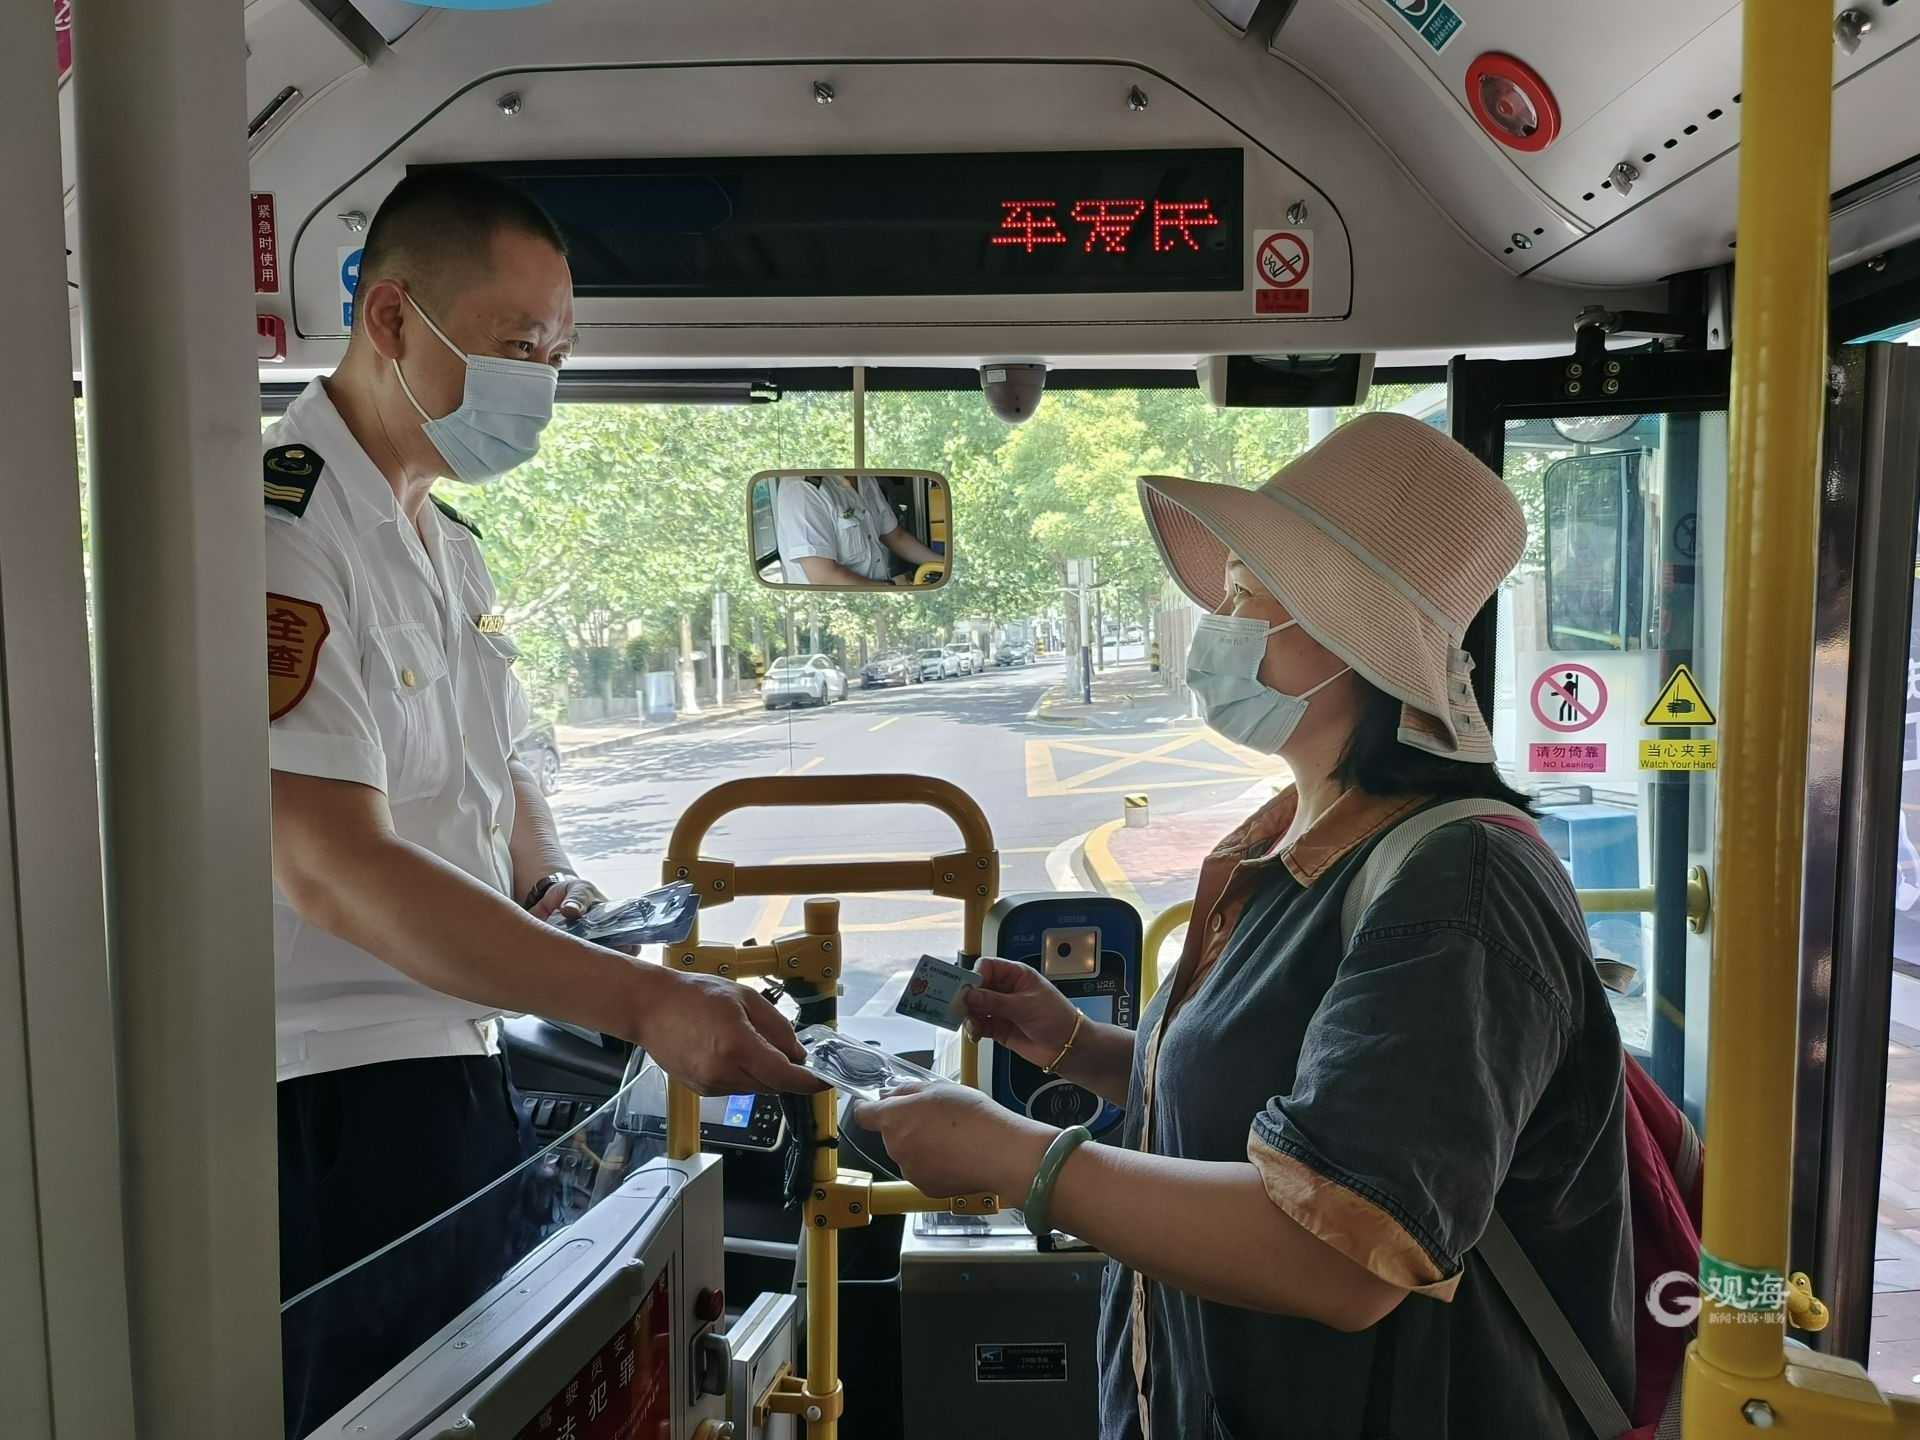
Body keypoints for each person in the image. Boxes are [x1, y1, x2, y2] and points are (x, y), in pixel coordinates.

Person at [853, 413, 1633, 1439]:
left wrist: (1020, 1160)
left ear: (1345, 635)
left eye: (1241, 600)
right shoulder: (1300, 841)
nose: (1213, 630)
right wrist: (1080, 1048)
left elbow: (1339, 1254)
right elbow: (1288, 1106)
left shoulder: (1463, 884)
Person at [263, 170, 816, 1435]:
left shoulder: (445, 547)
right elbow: (331, 865)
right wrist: (644, 1001)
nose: (542, 382)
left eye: (559, 353)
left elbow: (499, 774)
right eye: (518, 346)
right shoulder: (285, 528)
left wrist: (550, 880)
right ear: (392, 318)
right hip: (329, 1105)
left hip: (455, 1075)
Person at [773, 472, 942, 586]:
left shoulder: (863, 477)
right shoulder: (804, 490)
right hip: (833, 617)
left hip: (875, 599)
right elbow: (823, 577)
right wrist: (889, 588)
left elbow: (895, 536)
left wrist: (946, 565)